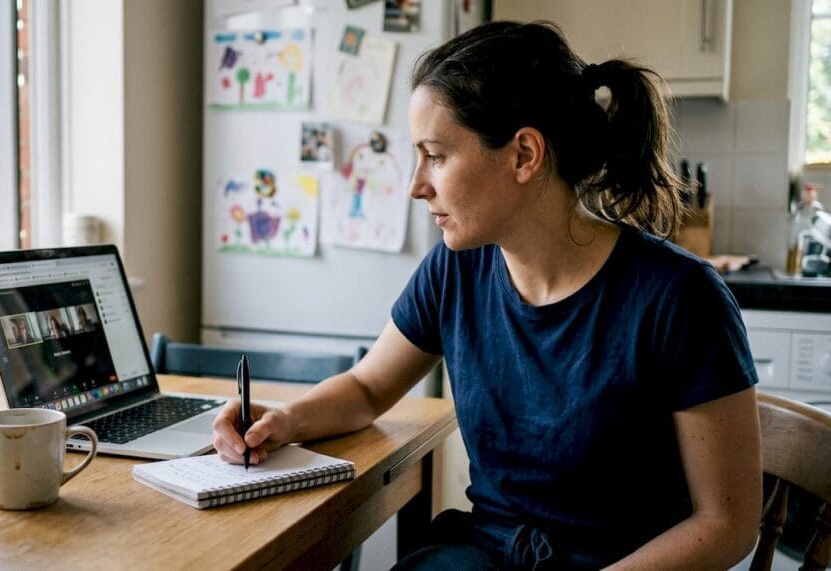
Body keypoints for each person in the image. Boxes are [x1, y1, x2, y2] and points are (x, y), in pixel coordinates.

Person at [212, 20, 761, 570]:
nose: (415, 185)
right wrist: (286, 419)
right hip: (486, 555)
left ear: (524, 154)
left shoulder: (680, 299)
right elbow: (366, 387)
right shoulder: (455, 270)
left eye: (436, 156)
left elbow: (726, 525)